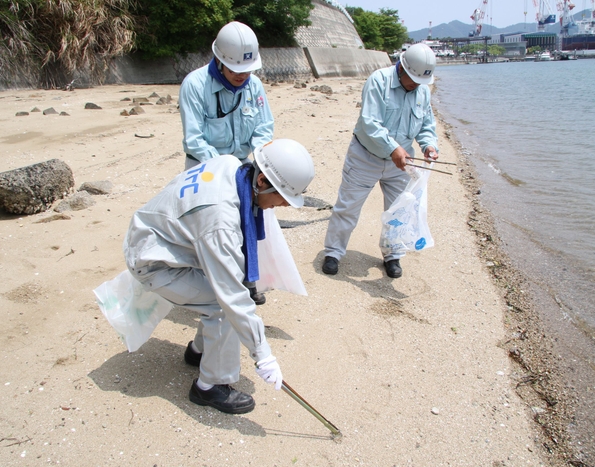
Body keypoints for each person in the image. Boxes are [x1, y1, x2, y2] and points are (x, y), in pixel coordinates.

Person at [123, 139, 315, 415]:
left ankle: (199, 351)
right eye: (283, 197)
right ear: (261, 181)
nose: (283, 205)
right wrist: (264, 356)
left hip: (159, 234)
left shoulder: (230, 164)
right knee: (223, 307)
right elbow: (232, 297)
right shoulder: (220, 222)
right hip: (153, 260)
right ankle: (210, 386)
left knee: (221, 293)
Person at [321, 43, 439, 278]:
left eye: (421, 81)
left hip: (402, 161)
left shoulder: (422, 91)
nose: (416, 85)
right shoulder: (378, 81)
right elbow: (370, 122)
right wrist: (393, 148)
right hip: (365, 156)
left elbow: (426, 125)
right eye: (413, 79)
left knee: (399, 211)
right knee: (348, 207)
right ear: (402, 68)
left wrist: (429, 145)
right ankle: (333, 252)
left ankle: (392, 256)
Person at [179, 20, 274, 305]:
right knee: (212, 229)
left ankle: (248, 281)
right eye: (236, 70)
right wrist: (226, 168)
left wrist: (257, 160)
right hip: (204, 168)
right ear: (219, 60)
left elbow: (264, 127)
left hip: (244, 165)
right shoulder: (195, 85)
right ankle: (208, 287)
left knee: (249, 225)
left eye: (247, 71)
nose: (242, 76)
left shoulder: (253, 85)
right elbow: (193, 139)